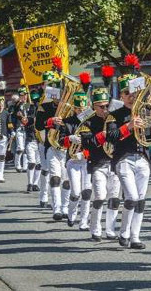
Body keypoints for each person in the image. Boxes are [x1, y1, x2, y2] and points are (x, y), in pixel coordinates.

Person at [106, 72, 151, 249]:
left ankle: (135, 236)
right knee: (130, 196)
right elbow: (111, 137)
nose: (131, 96)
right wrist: (129, 126)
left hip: (142, 158)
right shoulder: (114, 115)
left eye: (133, 92)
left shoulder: (146, 111)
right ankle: (124, 232)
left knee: (140, 199)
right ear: (121, 96)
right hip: (124, 159)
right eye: (126, 93)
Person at [80, 87, 122, 240]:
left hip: (115, 162)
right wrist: (101, 136)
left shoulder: (114, 119)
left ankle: (110, 229)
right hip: (98, 163)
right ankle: (95, 228)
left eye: (107, 106)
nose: (105, 109)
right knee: (100, 196)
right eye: (101, 106)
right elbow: (86, 143)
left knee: (114, 197)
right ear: (94, 106)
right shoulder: (87, 122)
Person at [35, 72, 71, 220]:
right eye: (55, 93)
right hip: (52, 146)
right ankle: (56, 209)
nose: (58, 96)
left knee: (67, 181)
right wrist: (50, 121)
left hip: (68, 148)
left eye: (60, 93)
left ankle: (65, 207)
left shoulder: (70, 107)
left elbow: (78, 123)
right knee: (55, 177)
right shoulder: (44, 107)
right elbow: (38, 125)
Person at [59, 91, 92, 230]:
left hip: (86, 160)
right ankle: (72, 213)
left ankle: (84, 221)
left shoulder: (91, 121)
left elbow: (95, 142)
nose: (81, 111)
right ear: (74, 108)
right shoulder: (67, 122)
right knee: (76, 192)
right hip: (72, 161)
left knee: (86, 191)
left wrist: (85, 153)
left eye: (83, 109)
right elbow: (60, 142)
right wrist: (69, 139)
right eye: (78, 109)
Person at [23, 90, 42, 193]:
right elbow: (25, 121)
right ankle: (29, 183)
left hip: (39, 141)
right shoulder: (27, 110)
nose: (36, 103)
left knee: (39, 164)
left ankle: (35, 183)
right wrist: (27, 118)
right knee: (32, 163)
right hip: (30, 140)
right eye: (35, 101)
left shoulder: (41, 112)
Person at [12, 87, 30, 173]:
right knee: (20, 147)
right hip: (19, 128)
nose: (24, 97)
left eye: (25, 95)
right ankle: (17, 164)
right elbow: (14, 117)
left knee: (26, 147)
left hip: (27, 128)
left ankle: (25, 166)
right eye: (22, 95)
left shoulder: (29, 104)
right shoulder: (17, 105)